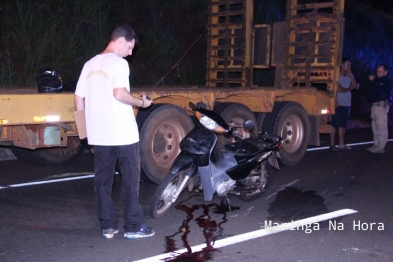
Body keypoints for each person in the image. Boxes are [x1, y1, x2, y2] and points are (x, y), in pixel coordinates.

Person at [74, 25, 154, 239]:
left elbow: (78, 97)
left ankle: (108, 226)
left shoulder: (89, 64)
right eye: (129, 47)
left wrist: (84, 132)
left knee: (103, 181)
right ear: (120, 41)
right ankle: (133, 227)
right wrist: (140, 102)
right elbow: (119, 93)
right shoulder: (119, 63)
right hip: (123, 134)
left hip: (99, 135)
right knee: (130, 180)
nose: (130, 53)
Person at [330, 58, 359, 150]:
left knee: (343, 124)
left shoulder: (349, 75)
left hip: (347, 104)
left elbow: (356, 87)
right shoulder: (337, 75)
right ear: (342, 65)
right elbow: (339, 89)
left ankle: (341, 144)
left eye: (350, 65)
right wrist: (349, 89)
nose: (349, 67)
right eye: (347, 65)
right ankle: (332, 144)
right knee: (335, 124)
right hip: (338, 104)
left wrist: (351, 76)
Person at [367, 64, 392, 154]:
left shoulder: (386, 81)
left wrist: (373, 81)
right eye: (377, 71)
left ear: (386, 72)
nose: (378, 73)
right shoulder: (377, 81)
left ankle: (381, 147)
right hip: (374, 105)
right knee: (374, 127)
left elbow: (380, 91)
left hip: (380, 105)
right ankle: (376, 144)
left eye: (380, 71)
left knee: (381, 127)